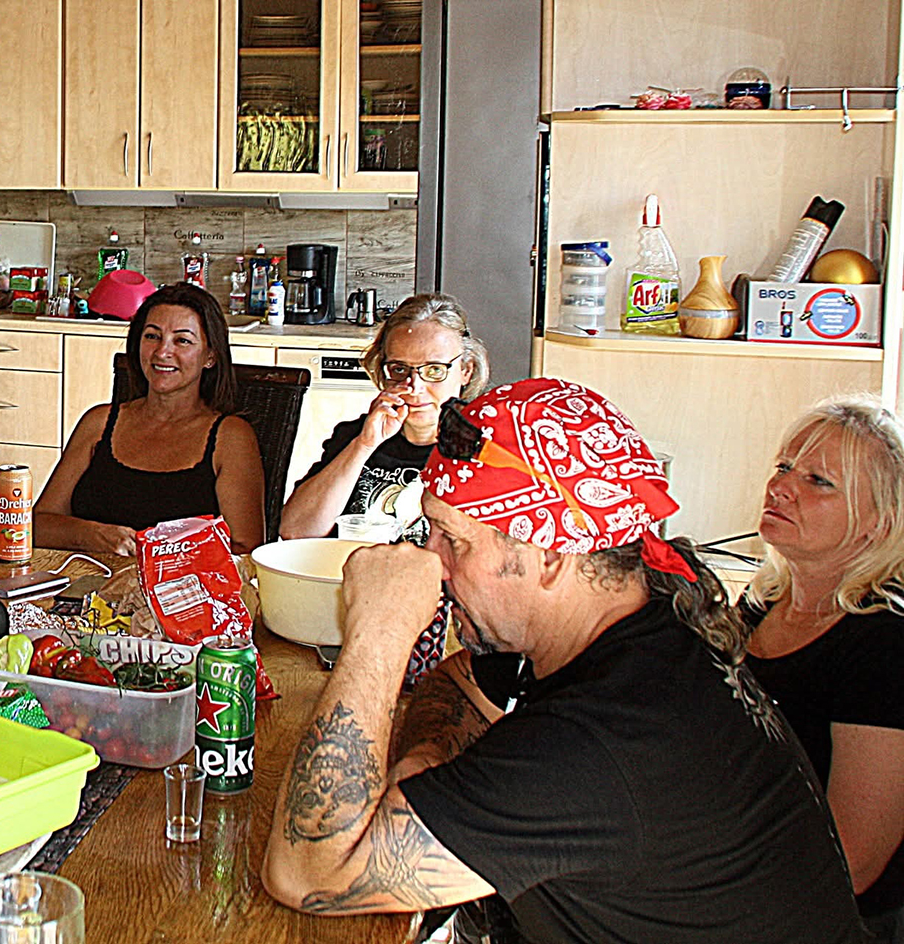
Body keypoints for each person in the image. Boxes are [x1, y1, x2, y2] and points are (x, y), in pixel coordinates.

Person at [263, 378, 868, 943]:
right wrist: (430, 764)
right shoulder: (633, 610)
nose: (430, 561)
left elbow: (308, 871)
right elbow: (459, 681)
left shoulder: (602, 740)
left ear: (550, 556)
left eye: (454, 540)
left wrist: (378, 632)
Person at [742, 394, 904, 941]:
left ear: (877, 523)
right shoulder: (759, 605)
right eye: (784, 467)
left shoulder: (884, 643)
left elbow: (852, 862)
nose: (781, 487)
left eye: (819, 481)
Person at [35, 283, 266, 555]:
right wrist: (93, 536)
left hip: (185, 583)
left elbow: (246, 549)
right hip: (88, 579)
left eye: (182, 340)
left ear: (210, 356)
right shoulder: (98, 423)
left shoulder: (231, 437)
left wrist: (160, 559)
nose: (162, 352)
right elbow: (38, 526)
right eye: (152, 336)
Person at [280, 292, 489, 538]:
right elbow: (296, 531)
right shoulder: (356, 436)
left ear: (466, 370)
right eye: (399, 369)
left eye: (434, 370)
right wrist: (364, 446)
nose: (414, 386)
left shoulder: (487, 447)